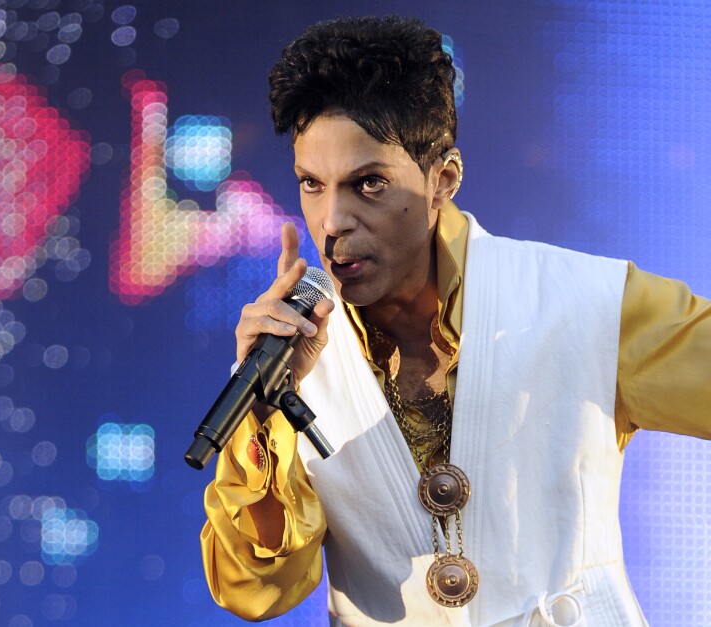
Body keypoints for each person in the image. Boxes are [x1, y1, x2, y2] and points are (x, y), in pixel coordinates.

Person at [199, 15, 711, 626]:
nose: (331, 221)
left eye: (368, 184)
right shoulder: (286, 359)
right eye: (312, 184)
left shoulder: (586, 302)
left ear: (442, 178)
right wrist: (261, 415)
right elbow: (254, 592)